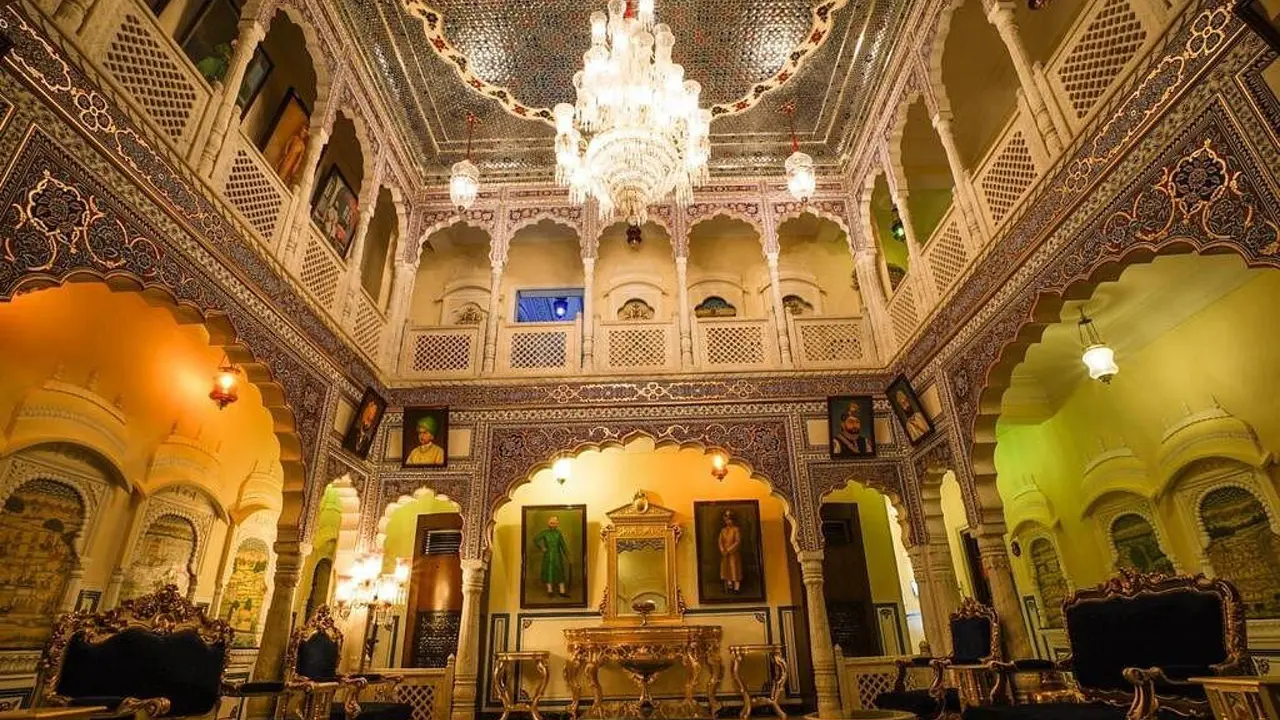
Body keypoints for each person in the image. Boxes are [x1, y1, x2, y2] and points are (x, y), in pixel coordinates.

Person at [534, 515, 571, 598]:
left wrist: (568, 556)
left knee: (560, 573)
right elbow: (535, 540)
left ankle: (562, 592)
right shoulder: (544, 532)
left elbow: (563, 545)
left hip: (558, 556)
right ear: (548, 523)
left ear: (557, 523)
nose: (553, 524)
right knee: (549, 573)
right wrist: (542, 547)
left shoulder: (559, 533)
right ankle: (550, 591)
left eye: (555, 522)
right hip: (548, 557)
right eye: (551, 522)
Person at [718, 510, 742, 593]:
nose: (728, 521)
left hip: (733, 553)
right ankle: (729, 586)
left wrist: (729, 550)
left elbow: (737, 541)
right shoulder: (723, 530)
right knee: (726, 569)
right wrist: (722, 550)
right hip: (725, 554)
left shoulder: (736, 530)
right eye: (726, 520)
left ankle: (736, 588)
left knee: (734, 569)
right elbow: (720, 541)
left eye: (730, 520)